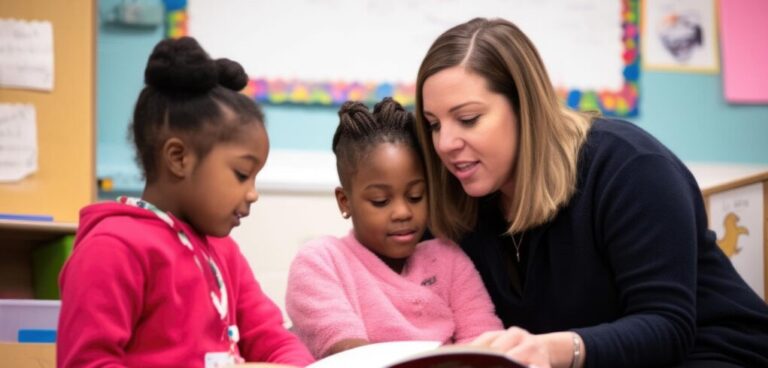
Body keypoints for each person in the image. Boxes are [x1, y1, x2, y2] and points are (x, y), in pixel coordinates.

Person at [413, 17, 768, 368]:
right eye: (433, 124)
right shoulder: (457, 193)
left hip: (711, 351)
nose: (445, 143)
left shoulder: (630, 167)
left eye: (469, 119)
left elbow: (668, 327)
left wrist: (552, 350)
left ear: (525, 107)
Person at [57, 37, 314, 367]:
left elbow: (273, 338)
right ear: (179, 158)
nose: (253, 193)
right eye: (241, 174)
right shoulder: (111, 250)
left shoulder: (225, 252)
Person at [285, 98, 503, 359]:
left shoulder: (449, 260)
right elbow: (352, 360)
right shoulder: (321, 262)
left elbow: (486, 348)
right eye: (381, 201)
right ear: (345, 202)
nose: (402, 212)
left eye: (415, 196)